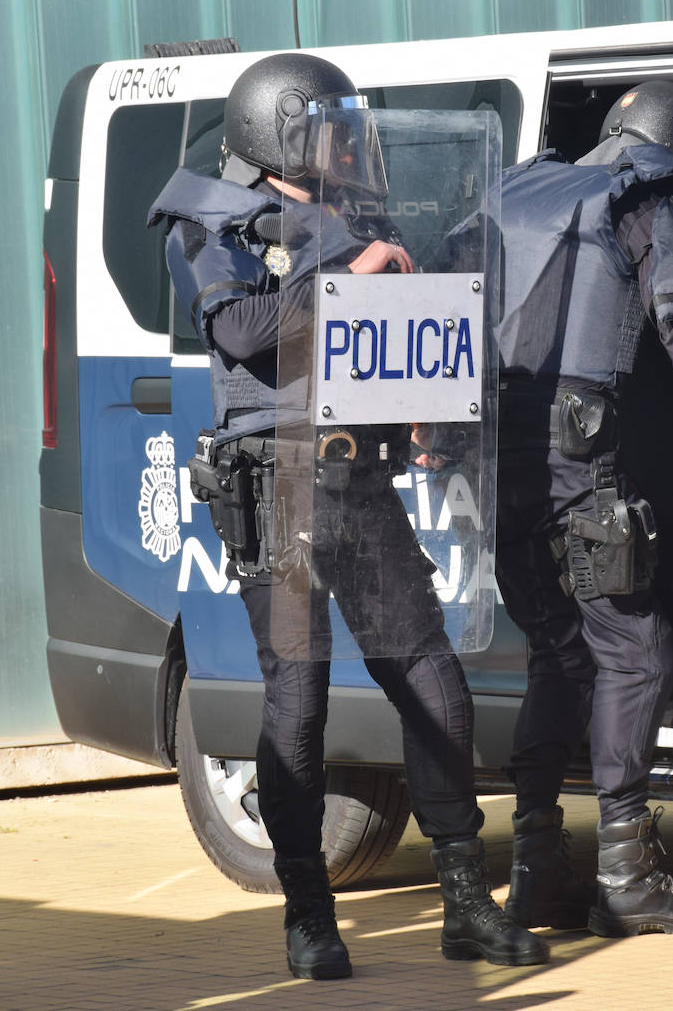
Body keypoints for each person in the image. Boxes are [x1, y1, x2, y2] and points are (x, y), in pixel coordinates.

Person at [147, 52, 547, 980]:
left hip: (359, 481)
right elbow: (242, 330)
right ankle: (310, 917)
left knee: (432, 676)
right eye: (333, 126)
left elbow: (391, 337)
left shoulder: (354, 218)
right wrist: (355, 277)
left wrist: (428, 401)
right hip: (275, 488)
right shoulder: (208, 221)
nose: (352, 144)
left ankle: (463, 900)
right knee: (299, 698)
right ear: (282, 130)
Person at [442, 80, 673, 938]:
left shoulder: (518, 188)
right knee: (637, 654)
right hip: (583, 467)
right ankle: (628, 873)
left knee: (559, 658)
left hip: (503, 462)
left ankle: (537, 869)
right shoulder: (646, 196)